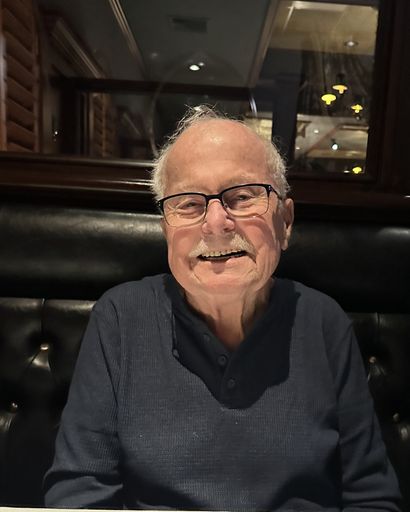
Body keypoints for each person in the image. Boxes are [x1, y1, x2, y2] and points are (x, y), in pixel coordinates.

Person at [44, 107, 401, 511]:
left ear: (285, 221)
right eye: (189, 204)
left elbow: (371, 496)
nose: (216, 223)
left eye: (242, 197)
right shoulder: (120, 317)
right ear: (166, 229)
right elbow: (79, 489)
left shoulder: (324, 322)